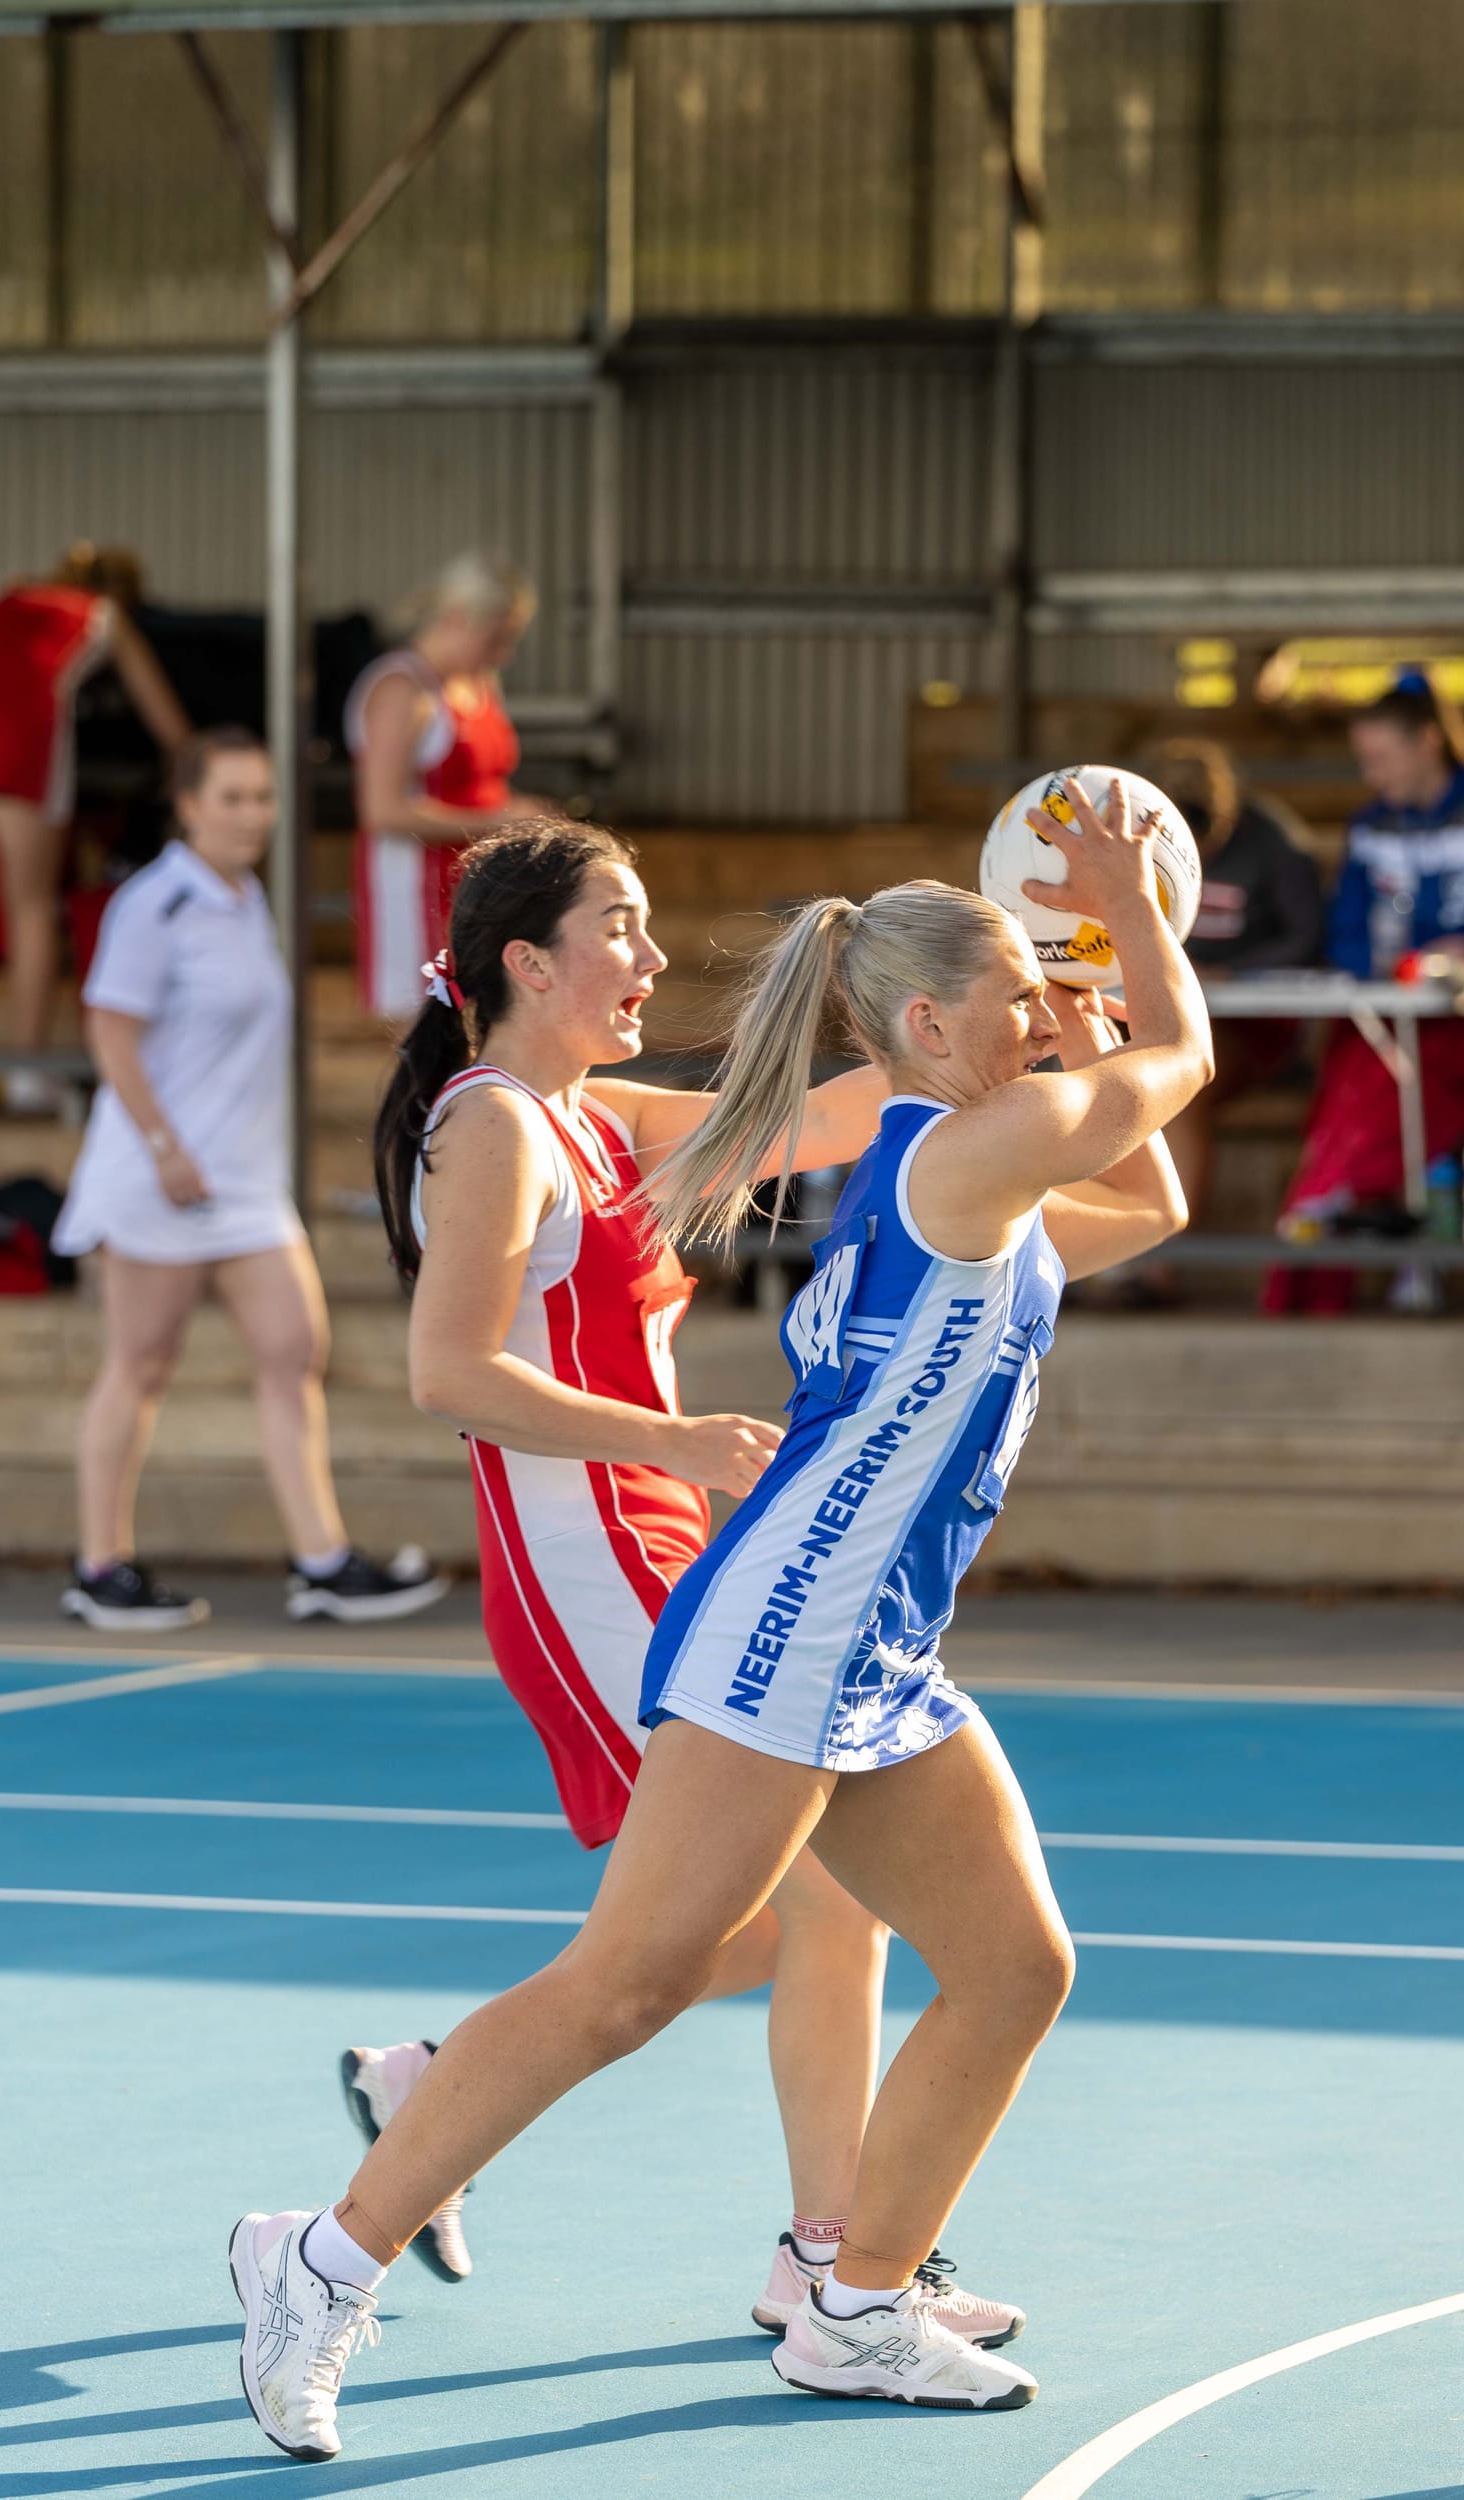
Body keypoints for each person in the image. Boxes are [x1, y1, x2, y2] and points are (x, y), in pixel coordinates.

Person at [227, 783, 1209, 2458]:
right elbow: (1169, 1069)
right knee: (635, 1980)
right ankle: (322, 2264)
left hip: (862, 1636)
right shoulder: (941, 1159)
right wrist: (1130, 924)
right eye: (614, 926)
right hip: (763, 1611)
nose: (649, 955)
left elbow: (1139, 1178)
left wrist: (1069, 990)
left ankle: (853, 2297)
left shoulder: (930, 1146)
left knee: (1008, 1967)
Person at [344, 818, 1022, 2345]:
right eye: (622, 925)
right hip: (585, 1562)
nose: (651, 955)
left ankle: (456, 2090)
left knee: (782, 1921)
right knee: (815, 1908)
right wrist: (678, 1438)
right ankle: (828, 2258)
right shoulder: (494, 1127)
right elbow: (450, 1374)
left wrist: (1005, 998)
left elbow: (839, 1113)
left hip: (674, 1542)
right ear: (530, 963)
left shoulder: (597, 1118)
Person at [52, 728, 448, 1634]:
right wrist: (165, 1147)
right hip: (160, 1178)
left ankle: (322, 1563)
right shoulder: (154, 904)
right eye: (230, 797)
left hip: (243, 1185)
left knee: (293, 1350)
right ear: (188, 805)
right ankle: (100, 1569)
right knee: (140, 1365)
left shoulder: (247, 897)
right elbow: (109, 1031)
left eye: (262, 797)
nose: (251, 814)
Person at [1264, 670, 1464, 1314]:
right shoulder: (1370, 826)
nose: (1371, 774)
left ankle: (1324, 1219)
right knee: (1356, 1076)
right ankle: (1338, 1230)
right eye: (1363, 760)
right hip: (1389, 1015)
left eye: (1380, 757)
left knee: (1392, 1079)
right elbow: (1344, 933)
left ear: (1428, 742)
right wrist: (1394, 966)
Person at [0, 544, 190, 1114]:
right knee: (31, 905)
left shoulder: (13, 593)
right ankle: (27, 1070)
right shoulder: (107, 616)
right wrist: (197, 770)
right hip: (20, 730)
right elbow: (168, 723)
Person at [1137, 738, 1323, 1268]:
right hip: (1155, 1015)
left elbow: (1308, 937)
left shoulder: (1274, 843)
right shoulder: (1132, 841)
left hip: (1250, 1025)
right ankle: (1093, 1258)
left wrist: (1232, 971)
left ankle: (1159, 1263)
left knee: (1179, 1083)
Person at [347, 552, 555, 1025]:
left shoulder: (477, 684)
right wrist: (499, 821)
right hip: (414, 891)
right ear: (459, 618)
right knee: (429, 1029)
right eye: (495, 638)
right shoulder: (402, 689)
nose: (503, 654)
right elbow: (382, 810)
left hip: (475, 886)